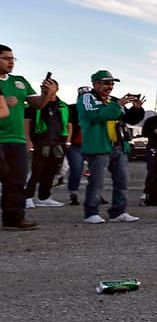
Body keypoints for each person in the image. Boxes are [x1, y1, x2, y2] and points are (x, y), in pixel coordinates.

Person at [79, 70, 145, 224]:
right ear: (95, 84)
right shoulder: (86, 98)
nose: (110, 86)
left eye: (112, 83)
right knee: (97, 181)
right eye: (106, 83)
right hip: (98, 145)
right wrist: (118, 104)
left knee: (122, 180)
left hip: (118, 145)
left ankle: (118, 212)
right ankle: (91, 213)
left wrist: (136, 108)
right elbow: (94, 116)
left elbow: (130, 120)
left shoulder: (113, 101)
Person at [1, 45, 55, 230]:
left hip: (16, 139)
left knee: (16, 180)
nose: (11, 62)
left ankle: (14, 218)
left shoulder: (20, 81)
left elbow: (38, 104)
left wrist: (46, 94)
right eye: (6, 58)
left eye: (13, 59)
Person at [24, 78, 70, 208]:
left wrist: (67, 141)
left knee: (51, 171)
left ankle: (44, 197)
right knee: (36, 171)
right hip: (39, 141)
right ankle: (27, 197)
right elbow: (26, 122)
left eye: (50, 85)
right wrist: (28, 140)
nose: (46, 87)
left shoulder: (63, 106)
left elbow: (68, 124)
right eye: (43, 86)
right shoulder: (35, 104)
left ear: (57, 88)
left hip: (57, 142)